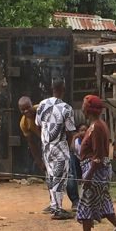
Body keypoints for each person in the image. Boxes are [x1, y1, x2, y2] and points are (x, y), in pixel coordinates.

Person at [71, 95, 116, 231]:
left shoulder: (97, 127)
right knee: (106, 207)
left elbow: (98, 156)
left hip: (95, 172)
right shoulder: (95, 126)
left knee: (86, 205)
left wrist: (88, 176)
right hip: (96, 171)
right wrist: (81, 136)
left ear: (89, 109)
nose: (82, 108)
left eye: (84, 105)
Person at [37, 80, 77, 220]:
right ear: (63, 89)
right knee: (60, 178)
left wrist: (45, 141)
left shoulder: (42, 105)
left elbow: (39, 125)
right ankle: (57, 209)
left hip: (46, 147)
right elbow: (70, 131)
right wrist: (69, 148)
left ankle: (53, 204)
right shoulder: (67, 108)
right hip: (60, 147)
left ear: (51, 88)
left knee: (51, 176)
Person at [17, 96, 44, 175]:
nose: (26, 111)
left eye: (28, 107)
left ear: (32, 104)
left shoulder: (42, 109)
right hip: (45, 143)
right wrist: (39, 162)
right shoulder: (23, 123)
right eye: (23, 109)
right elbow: (31, 143)